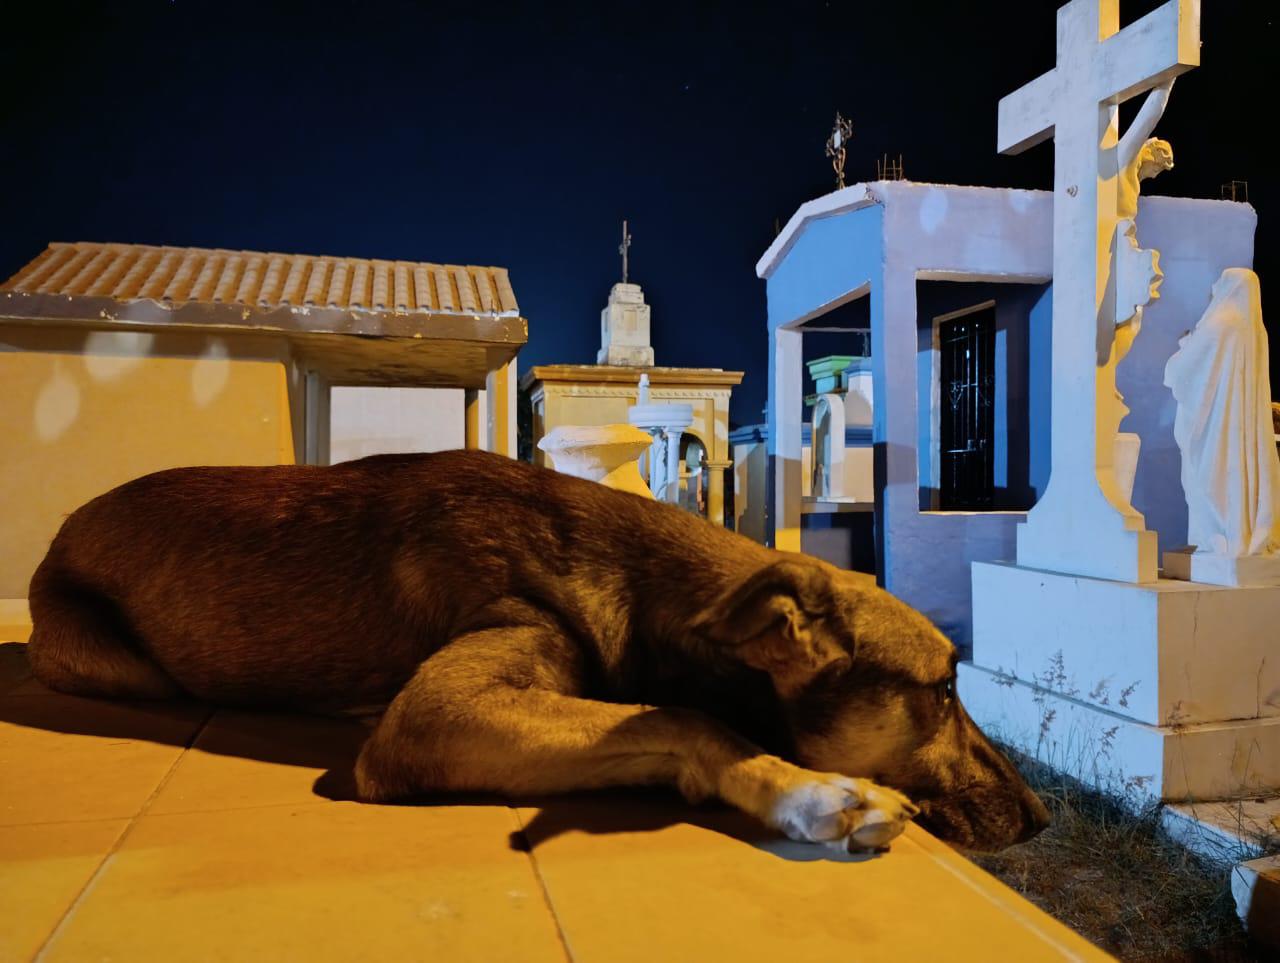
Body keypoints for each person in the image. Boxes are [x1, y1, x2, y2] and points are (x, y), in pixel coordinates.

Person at [1164, 268, 1280, 558]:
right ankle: (1243, 531)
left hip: (1216, 426)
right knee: (1239, 473)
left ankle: (1220, 536)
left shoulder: (1220, 322)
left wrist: (1183, 346)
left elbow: (1182, 371)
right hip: (1242, 426)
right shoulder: (1254, 330)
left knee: (1213, 479)